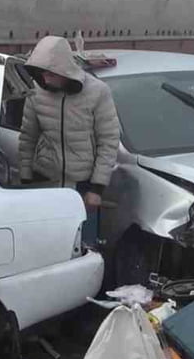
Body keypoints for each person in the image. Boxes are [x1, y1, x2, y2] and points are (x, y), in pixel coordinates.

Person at [17, 35, 121, 243]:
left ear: (64, 69)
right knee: (45, 245)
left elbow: (108, 141)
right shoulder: (36, 93)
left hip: (83, 188)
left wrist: (97, 189)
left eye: (51, 74)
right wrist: (25, 176)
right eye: (42, 74)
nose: (46, 80)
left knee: (82, 245)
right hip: (45, 181)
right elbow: (28, 136)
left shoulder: (98, 92)